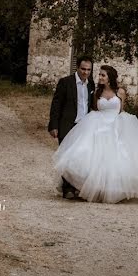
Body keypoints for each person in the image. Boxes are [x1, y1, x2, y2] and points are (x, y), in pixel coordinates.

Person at [52, 65, 138, 203]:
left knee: (117, 158)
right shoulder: (97, 92)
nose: (100, 77)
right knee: (93, 157)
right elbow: (95, 108)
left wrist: (122, 127)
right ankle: (92, 188)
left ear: (109, 77)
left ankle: (112, 190)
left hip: (115, 124)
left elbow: (121, 110)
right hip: (98, 125)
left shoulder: (120, 92)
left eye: (103, 75)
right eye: (100, 75)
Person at [48, 55, 95, 199]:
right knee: (66, 158)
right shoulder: (65, 82)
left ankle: (76, 187)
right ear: (77, 68)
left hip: (83, 127)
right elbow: (56, 105)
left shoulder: (91, 85)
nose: (85, 72)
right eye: (83, 69)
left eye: (88, 70)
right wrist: (53, 125)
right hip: (67, 125)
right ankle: (67, 189)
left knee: (80, 159)